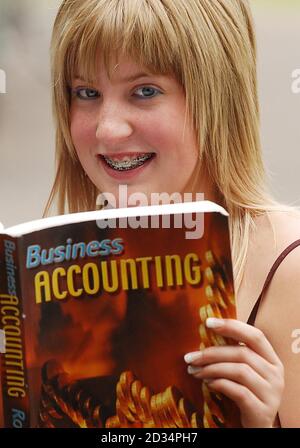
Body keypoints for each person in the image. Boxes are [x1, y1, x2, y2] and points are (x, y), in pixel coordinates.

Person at [45, 0, 300, 427]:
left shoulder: (289, 271)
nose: (107, 129)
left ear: (217, 99)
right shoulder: (49, 263)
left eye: (145, 91)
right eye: (86, 93)